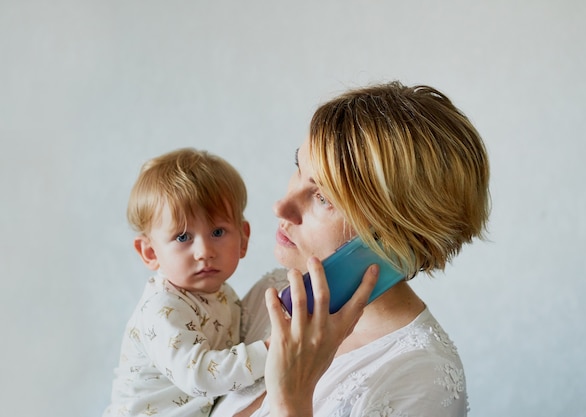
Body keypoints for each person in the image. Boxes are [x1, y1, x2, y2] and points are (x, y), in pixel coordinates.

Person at [210, 81, 490, 416]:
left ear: (392, 235)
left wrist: (291, 401)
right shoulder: (275, 292)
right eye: (298, 167)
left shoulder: (422, 378)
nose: (281, 207)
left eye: (323, 197)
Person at [103, 148, 268, 417]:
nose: (204, 251)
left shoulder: (224, 294)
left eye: (217, 232)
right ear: (151, 253)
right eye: (183, 237)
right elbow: (200, 375)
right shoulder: (162, 308)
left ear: (243, 238)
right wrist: (271, 351)